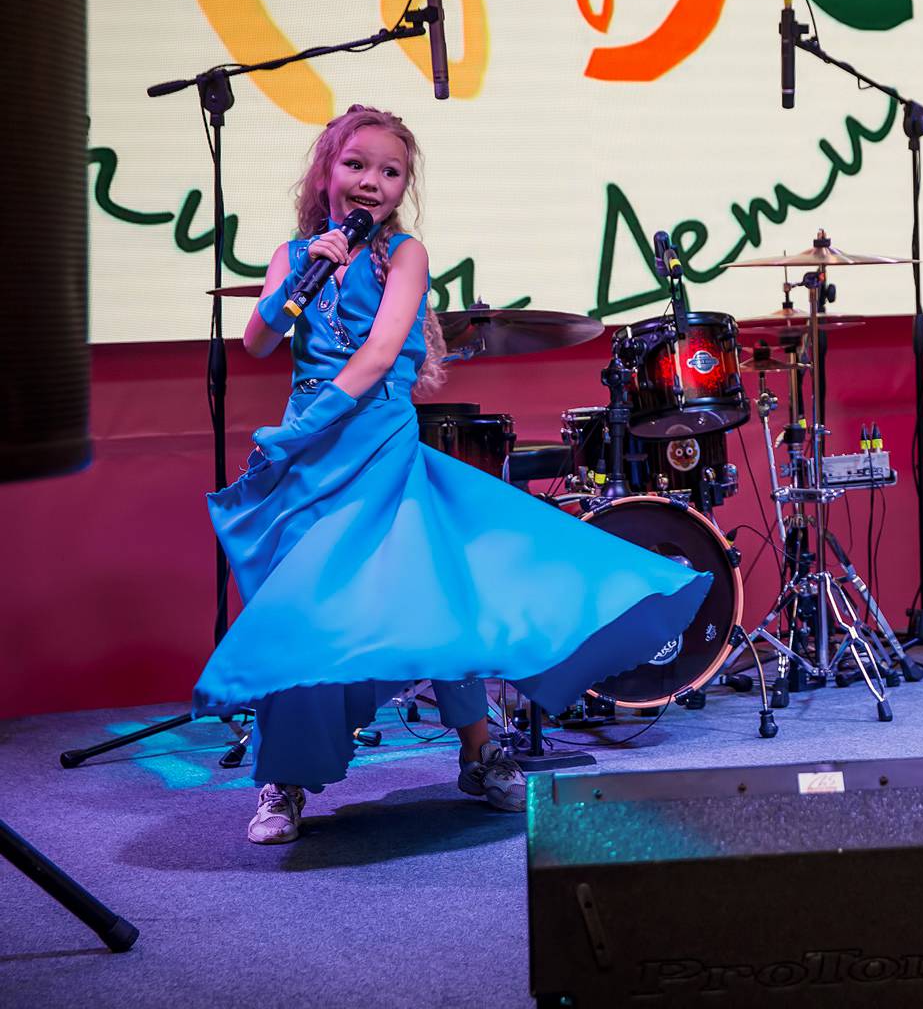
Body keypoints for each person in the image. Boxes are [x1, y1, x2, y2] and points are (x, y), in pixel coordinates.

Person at [194, 105, 710, 845]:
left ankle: (479, 753)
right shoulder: (295, 253)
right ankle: (285, 780)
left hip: (374, 442)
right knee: (302, 610)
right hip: (309, 456)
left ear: (402, 186)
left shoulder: (405, 255)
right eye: (356, 164)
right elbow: (257, 340)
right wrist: (302, 278)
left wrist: (308, 423)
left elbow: (379, 355)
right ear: (326, 171)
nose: (371, 181)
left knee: (434, 596)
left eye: (390, 171)